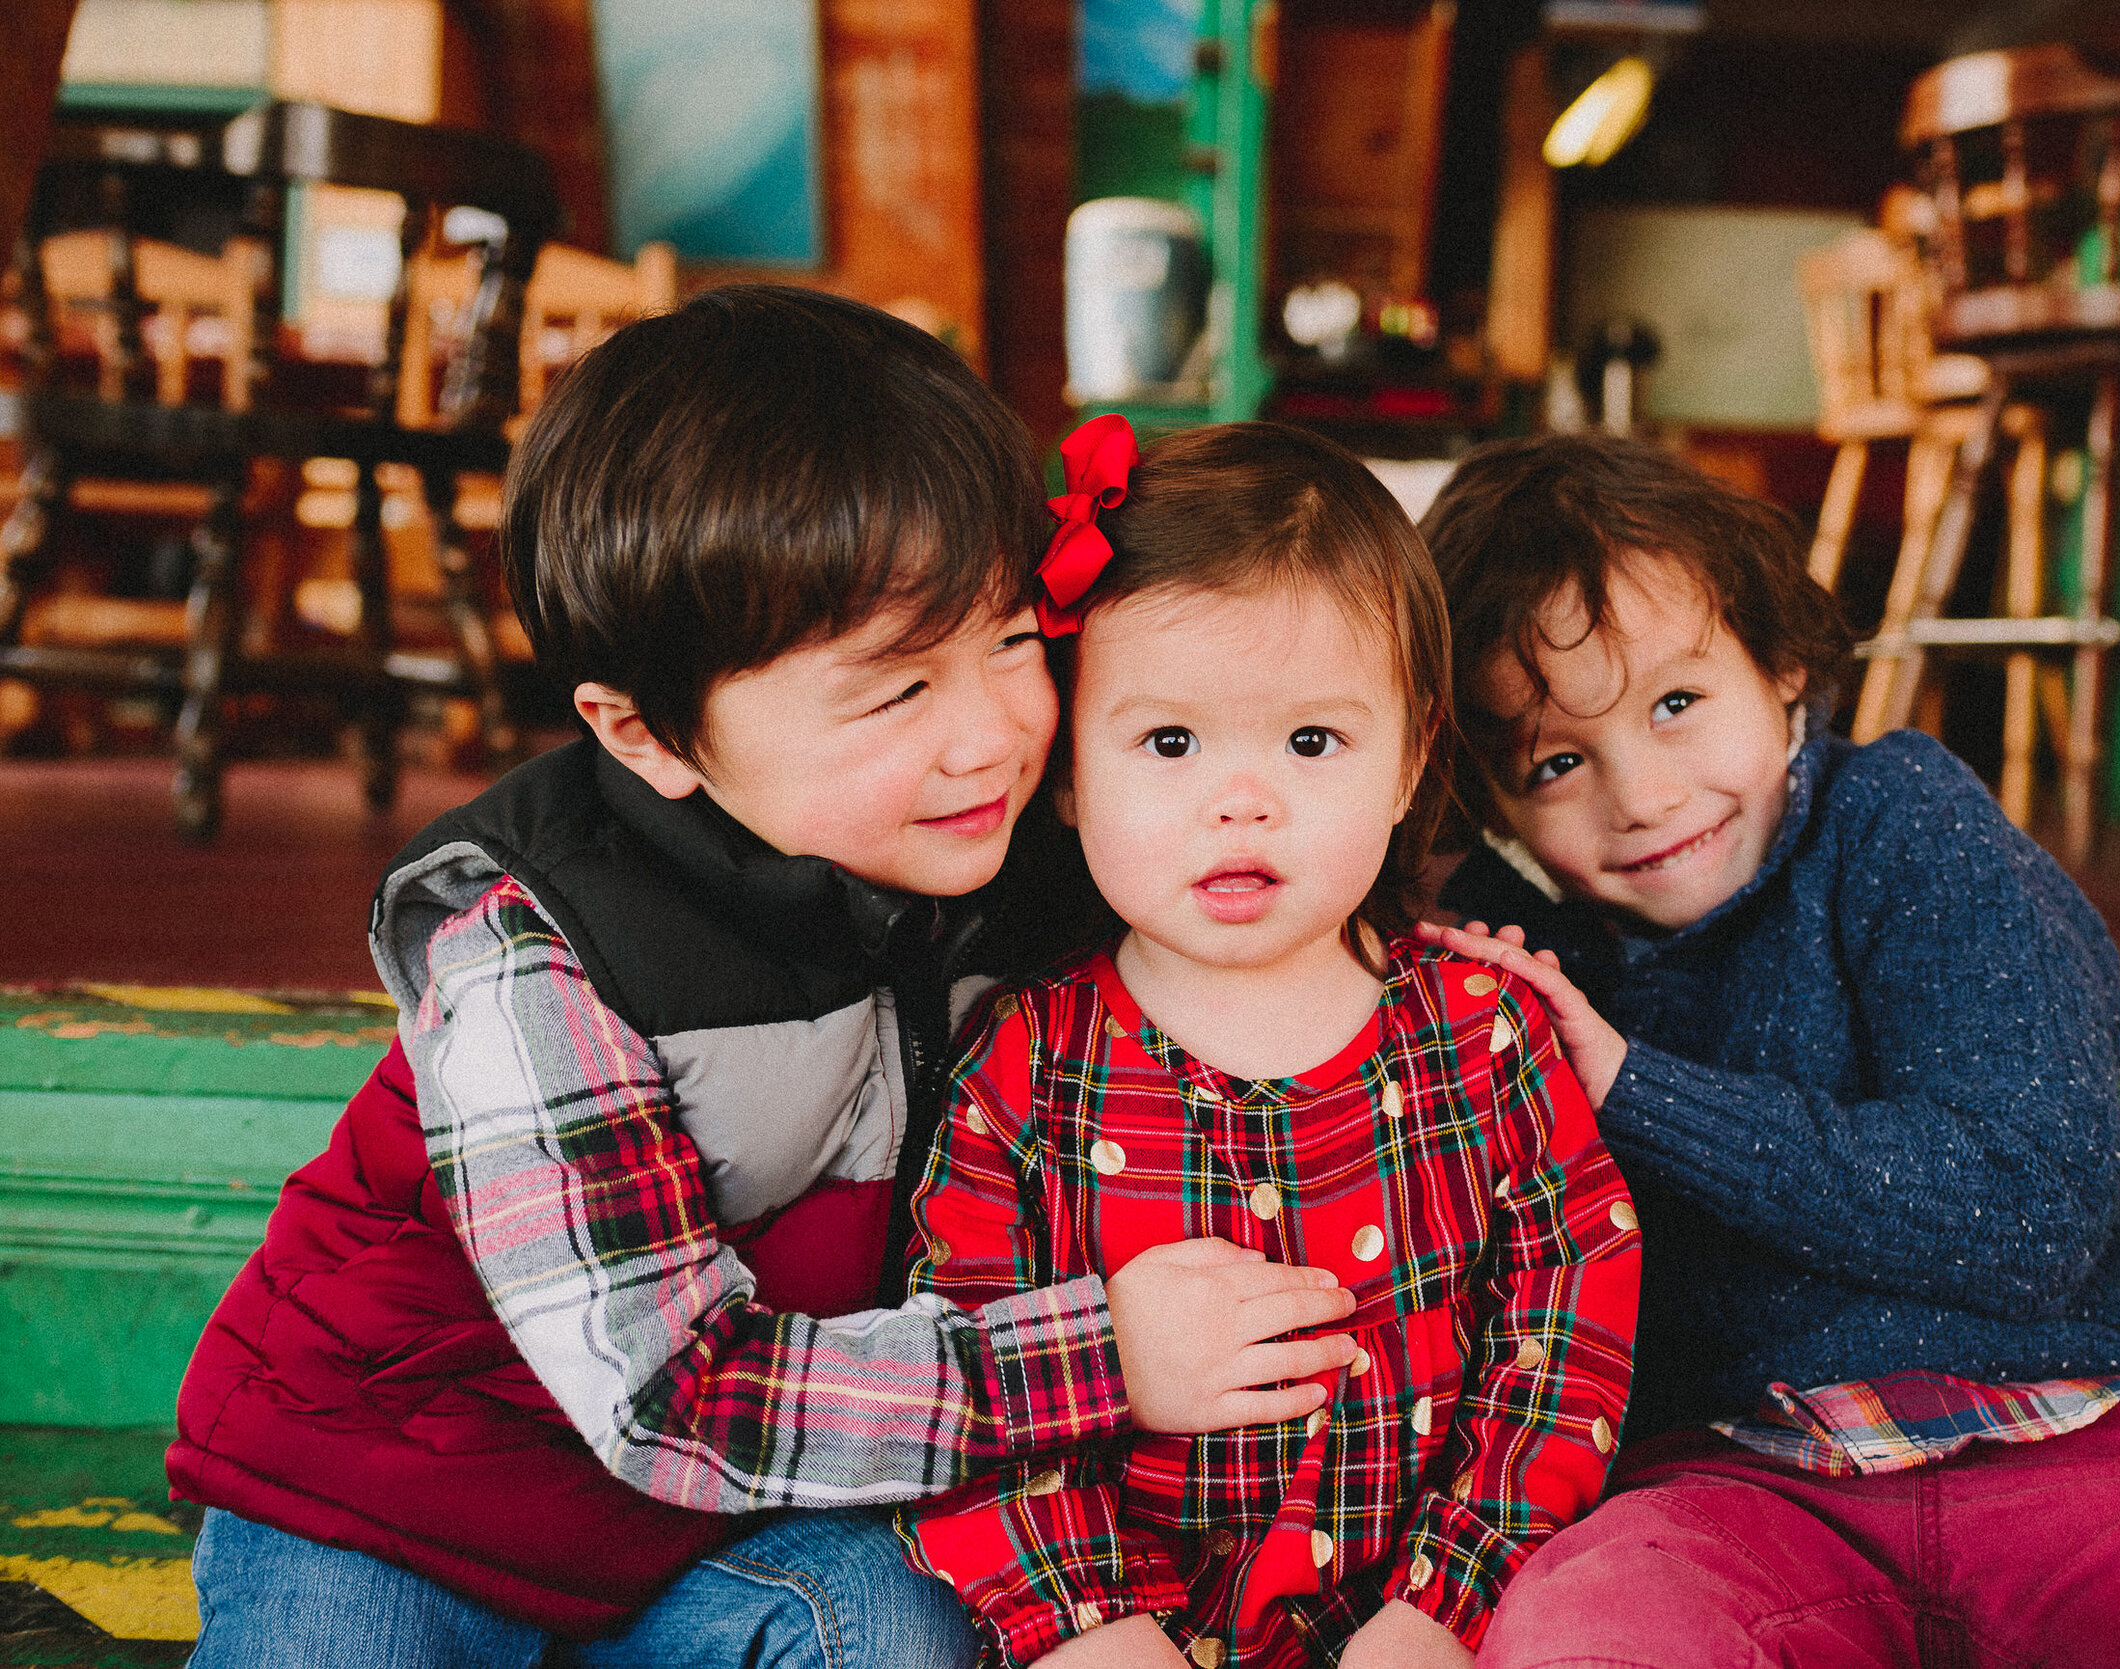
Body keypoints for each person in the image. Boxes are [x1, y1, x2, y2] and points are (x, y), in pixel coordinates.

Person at [168, 290, 1361, 1669]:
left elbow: (1260, 862)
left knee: (901, 1636)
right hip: (389, 1506)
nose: (991, 733)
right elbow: (669, 1396)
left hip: (719, 1538)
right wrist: (1104, 1356)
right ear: (647, 732)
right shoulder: (536, 950)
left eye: (1011, 642)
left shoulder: (1016, 864)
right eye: (893, 692)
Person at [1411, 434, 2120, 1667]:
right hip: (1737, 1483)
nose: (1639, 794)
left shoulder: (1903, 824)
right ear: (1492, 805)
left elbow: (2029, 1211)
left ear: (1785, 666)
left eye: (1676, 703)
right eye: (1553, 762)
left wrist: (1633, 1090)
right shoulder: (1518, 947)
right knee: (1586, 1626)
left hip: (2080, 1446)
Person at [897, 418, 1642, 1669]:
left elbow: (1565, 1324)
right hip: (1114, 1632)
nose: (1241, 801)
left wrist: (1447, 1602)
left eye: (1312, 741)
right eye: (1169, 743)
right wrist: (1092, 1626)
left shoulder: (1483, 1028)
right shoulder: (1022, 1062)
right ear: (1070, 770)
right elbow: (969, 1369)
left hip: (1423, 1625)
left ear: (1411, 759)